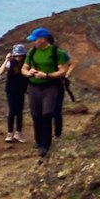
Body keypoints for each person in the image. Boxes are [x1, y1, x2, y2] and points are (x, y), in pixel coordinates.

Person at [22, 27, 74, 155]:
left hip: (50, 87)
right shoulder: (32, 52)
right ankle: (38, 141)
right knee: (35, 116)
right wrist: (29, 73)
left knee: (47, 115)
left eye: (35, 40)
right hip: (34, 87)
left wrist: (46, 75)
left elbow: (63, 70)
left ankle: (45, 145)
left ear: (43, 39)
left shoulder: (57, 52)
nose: (33, 42)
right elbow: (24, 68)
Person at [0, 33, 34, 140]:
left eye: (20, 56)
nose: (18, 58)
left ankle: (18, 132)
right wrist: (6, 60)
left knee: (19, 111)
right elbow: (0, 72)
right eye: (16, 56)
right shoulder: (11, 63)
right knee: (12, 111)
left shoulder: (27, 64)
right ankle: (10, 133)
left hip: (21, 90)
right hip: (11, 90)